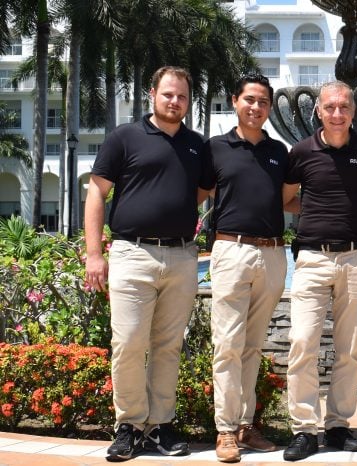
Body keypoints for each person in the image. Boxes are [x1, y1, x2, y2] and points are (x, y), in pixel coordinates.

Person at [84, 66, 208, 461]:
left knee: (169, 347)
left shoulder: (196, 145)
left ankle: (160, 427)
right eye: (168, 94)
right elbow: (97, 193)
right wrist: (93, 253)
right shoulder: (124, 137)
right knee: (128, 343)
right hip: (131, 253)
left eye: (182, 97)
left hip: (182, 255)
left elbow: (202, 191)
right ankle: (129, 425)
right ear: (153, 93)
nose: (175, 102)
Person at [281, 81, 357, 462]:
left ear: (353, 112)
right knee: (302, 343)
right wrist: (315, 213)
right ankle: (304, 429)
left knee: (349, 349)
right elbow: (286, 197)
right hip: (311, 258)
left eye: (343, 107)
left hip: (356, 258)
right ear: (318, 112)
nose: (336, 114)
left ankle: (338, 425)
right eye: (330, 107)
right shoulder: (301, 152)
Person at [200, 74, 289, 463]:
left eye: (263, 102)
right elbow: (198, 195)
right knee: (228, 344)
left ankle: (245, 425)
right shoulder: (215, 148)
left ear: (269, 108)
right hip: (230, 250)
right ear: (235, 101)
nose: (256, 107)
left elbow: (288, 200)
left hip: (272, 254)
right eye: (249, 100)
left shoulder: (280, 151)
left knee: (253, 346)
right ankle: (224, 430)